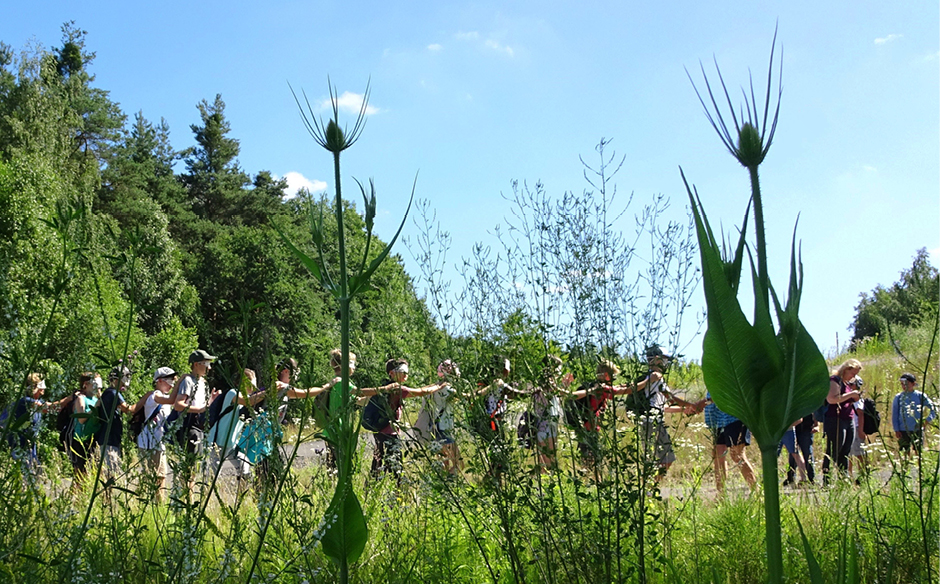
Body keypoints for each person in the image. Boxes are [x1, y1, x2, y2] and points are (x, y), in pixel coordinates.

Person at [359, 358, 448, 480]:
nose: (406, 374)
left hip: (379, 431)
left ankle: (370, 489)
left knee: (378, 462)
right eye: (402, 371)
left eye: (407, 371)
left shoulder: (385, 387)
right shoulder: (397, 389)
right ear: (392, 373)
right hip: (390, 433)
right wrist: (442, 385)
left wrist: (436, 384)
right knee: (396, 467)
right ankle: (399, 493)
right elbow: (421, 392)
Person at [623, 346, 697, 481]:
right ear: (657, 360)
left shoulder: (649, 378)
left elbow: (664, 407)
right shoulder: (655, 377)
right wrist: (692, 405)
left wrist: (684, 409)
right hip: (653, 423)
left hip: (646, 422)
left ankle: (649, 489)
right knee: (666, 458)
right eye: (665, 360)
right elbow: (670, 398)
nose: (666, 364)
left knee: (654, 459)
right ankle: (650, 489)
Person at [168, 349, 219, 495]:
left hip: (200, 428)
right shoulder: (188, 381)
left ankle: (188, 496)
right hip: (189, 427)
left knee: (195, 466)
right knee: (189, 466)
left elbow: (203, 406)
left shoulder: (203, 382)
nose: (209, 367)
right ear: (196, 364)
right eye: (206, 363)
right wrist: (201, 409)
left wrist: (210, 402)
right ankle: (185, 497)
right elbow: (178, 405)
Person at [565, 359, 633, 467]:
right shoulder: (602, 389)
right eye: (613, 377)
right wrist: (647, 382)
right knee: (593, 460)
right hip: (590, 428)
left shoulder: (593, 386)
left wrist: (626, 385)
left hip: (583, 426)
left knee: (587, 457)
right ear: (606, 375)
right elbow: (624, 391)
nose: (614, 380)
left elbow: (618, 387)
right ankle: (589, 478)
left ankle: (588, 476)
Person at [686, 392, 758, 492]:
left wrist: (703, 403)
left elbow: (723, 392)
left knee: (737, 455)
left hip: (733, 417)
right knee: (718, 455)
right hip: (717, 420)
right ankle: (721, 494)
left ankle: (756, 491)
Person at [6, 373, 70, 478]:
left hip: (29, 445)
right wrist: (69, 398)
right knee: (25, 475)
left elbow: (55, 408)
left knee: (34, 473)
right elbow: (48, 408)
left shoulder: (37, 401)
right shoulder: (26, 402)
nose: (43, 388)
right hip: (19, 444)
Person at [135, 367, 179, 503]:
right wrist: (181, 383)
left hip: (157, 442)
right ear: (159, 381)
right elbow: (172, 400)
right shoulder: (155, 396)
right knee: (156, 476)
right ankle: (155, 503)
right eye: (170, 380)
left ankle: (154, 502)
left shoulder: (163, 398)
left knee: (159, 475)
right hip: (150, 442)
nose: (172, 383)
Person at [413, 359, 463, 475]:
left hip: (435, 428)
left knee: (443, 463)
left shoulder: (435, 387)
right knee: (458, 464)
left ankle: (441, 485)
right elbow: (464, 397)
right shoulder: (446, 389)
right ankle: (450, 484)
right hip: (444, 429)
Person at [822, 359, 862, 484]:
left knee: (846, 449)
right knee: (834, 449)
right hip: (835, 419)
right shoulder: (835, 380)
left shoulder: (847, 383)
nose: (853, 377)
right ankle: (826, 479)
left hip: (848, 417)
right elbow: (832, 399)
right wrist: (851, 395)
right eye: (853, 373)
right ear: (846, 370)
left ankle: (843, 478)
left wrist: (854, 397)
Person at [97, 366, 135, 485]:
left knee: (111, 472)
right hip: (108, 439)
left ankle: (107, 499)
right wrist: (144, 401)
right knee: (110, 473)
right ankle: (107, 499)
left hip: (111, 439)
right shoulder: (113, 393)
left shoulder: (108, 393)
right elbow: (128, 410)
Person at [528, 355, 565, 473]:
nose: (559, 372)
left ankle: (541, 486)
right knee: (548, 462)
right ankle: (546, 487)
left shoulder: (538, 383)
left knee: (543, 461)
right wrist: (564, 386)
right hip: (546, 426)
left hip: (544, 425)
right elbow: (560, 394)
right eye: (558, 369)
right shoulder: (548, 384)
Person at [67, 372, 102, 492]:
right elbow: (81, 419)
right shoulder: (81, 399)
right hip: (80, 439)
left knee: (90, 471)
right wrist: (95, 408)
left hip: (93, 438)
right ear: (85, 384)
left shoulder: (96, 399)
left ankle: (81, 498)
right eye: (94, 383)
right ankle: (73, 498)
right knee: (80, 473)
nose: (97, 386)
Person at [891, 373, 937, 459]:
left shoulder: (920, 396)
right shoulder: (899, 397)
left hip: (917, 429)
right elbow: (895, 414)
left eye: (906, 383)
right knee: (904, 453)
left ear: (913, 383)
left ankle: (921, 471)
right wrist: (896, 429)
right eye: (902, 384)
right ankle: (904, 470)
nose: (904, 386)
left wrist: (927, 420)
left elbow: (934, 409)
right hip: (903, 430)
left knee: (919, 452)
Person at [782, 414, 817, 486]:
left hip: (806, 428)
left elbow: (814, 409)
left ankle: (811, 478)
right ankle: (791, 477)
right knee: (793, 453)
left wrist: (816, 424)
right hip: (793, 427)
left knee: (807, 453)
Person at [847, 376, 869, 481]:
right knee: (849, 454)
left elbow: (861, 415)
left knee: (859, 454)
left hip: (856, 427)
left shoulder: (858, 399)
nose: (850, 386)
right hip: (850, 427)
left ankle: (862, 476)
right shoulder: (849, 398)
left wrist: (861, 430)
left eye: (852, 384)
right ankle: (849, 476)